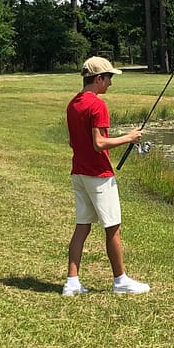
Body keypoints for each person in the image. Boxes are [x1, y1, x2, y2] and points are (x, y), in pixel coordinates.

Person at [63, 56, 150, 296]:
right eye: (108, 78)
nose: (110, 84)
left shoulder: (73, 104)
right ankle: (120, 280)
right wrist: (130, 138)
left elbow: (74, 141)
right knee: (113, 227)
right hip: (98, 175)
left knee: (82, 227)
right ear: (98, 78)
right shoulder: (97, 105)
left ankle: (72, 283)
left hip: (79, 173)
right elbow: (99, 143)